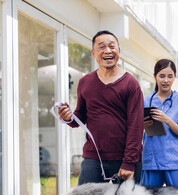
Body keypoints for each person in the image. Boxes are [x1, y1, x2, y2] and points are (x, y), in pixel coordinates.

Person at [58, 30, 144, 185]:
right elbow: (80, 116)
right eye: (102, 47)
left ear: (118, 50)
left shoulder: (131, 83)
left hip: (124, 159)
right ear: (93, 53)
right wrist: (68, 118)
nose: (108, 51)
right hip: (93, 158)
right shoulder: (85, 82)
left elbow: (136, 126)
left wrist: (129, 162)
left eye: (112, 46)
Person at [141, 59, 178, 188]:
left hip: (174, 160)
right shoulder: (144, 100)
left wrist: (167, 120)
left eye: (170, 76)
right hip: (151, 160)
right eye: (162, 76)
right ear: (155, 77)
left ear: (174, 77)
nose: (166, 80)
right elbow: (134, 130)